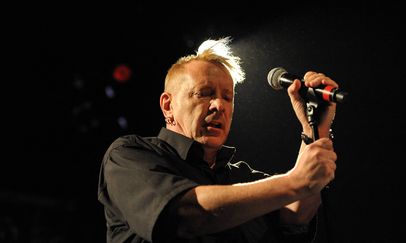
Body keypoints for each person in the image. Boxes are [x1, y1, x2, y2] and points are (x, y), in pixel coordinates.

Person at [97, 36, 338, 243]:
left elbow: (296, 214)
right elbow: (188, 213)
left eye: (228, 97)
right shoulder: (130, 155)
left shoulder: (242, 178)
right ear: (168, 105)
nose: (219, 105)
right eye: (205, 94)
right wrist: (295, 181)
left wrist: (315, 128)